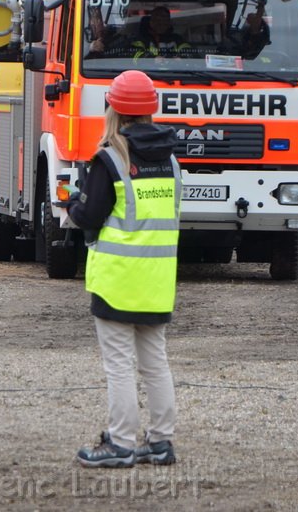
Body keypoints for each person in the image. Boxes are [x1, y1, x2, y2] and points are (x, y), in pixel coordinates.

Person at [67, 70, 181, 468]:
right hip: (157, 280)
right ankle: (161, 441)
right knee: (155, 361)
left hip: (117, 279)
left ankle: (120, 443)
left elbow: (90, 215)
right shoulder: (170, 159)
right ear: (151, 110)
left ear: (113, 109)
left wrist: (71, 205)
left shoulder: (110, 157)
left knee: (118, 364)